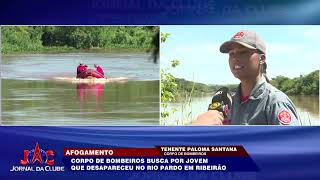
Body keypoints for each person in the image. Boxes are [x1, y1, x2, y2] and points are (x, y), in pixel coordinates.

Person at [194, 30, 301, 125]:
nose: (235, 58)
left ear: (262, 59)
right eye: (231, 53)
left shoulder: (276, 102)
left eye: (243, 52)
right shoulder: (230, 102)